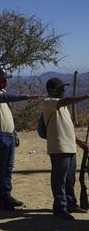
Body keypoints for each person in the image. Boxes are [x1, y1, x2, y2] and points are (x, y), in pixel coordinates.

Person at [0, 67, 42, 211]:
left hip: (9, 135)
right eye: (2, 79)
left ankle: (7, 196)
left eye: (6, 79)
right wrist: (26, 97)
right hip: (0, 136)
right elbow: (4, 98)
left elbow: (8, 115)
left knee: (8, 169)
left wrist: (15, 133)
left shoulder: (2, 93)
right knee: (1, 169)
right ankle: (2, 198)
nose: (5, 81)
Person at [40, 77, 89, 220]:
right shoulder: (48, 102)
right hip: (59, 147)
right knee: (59, 179)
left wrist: (79, 142)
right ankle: (60, 207)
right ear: (51, 90)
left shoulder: (63, 108)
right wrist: (86, 96)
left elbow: (67, 129)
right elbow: (65, 101)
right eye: (59, 87)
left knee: (70, 179)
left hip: (70, 146)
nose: (62, 89)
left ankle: (70, 203)